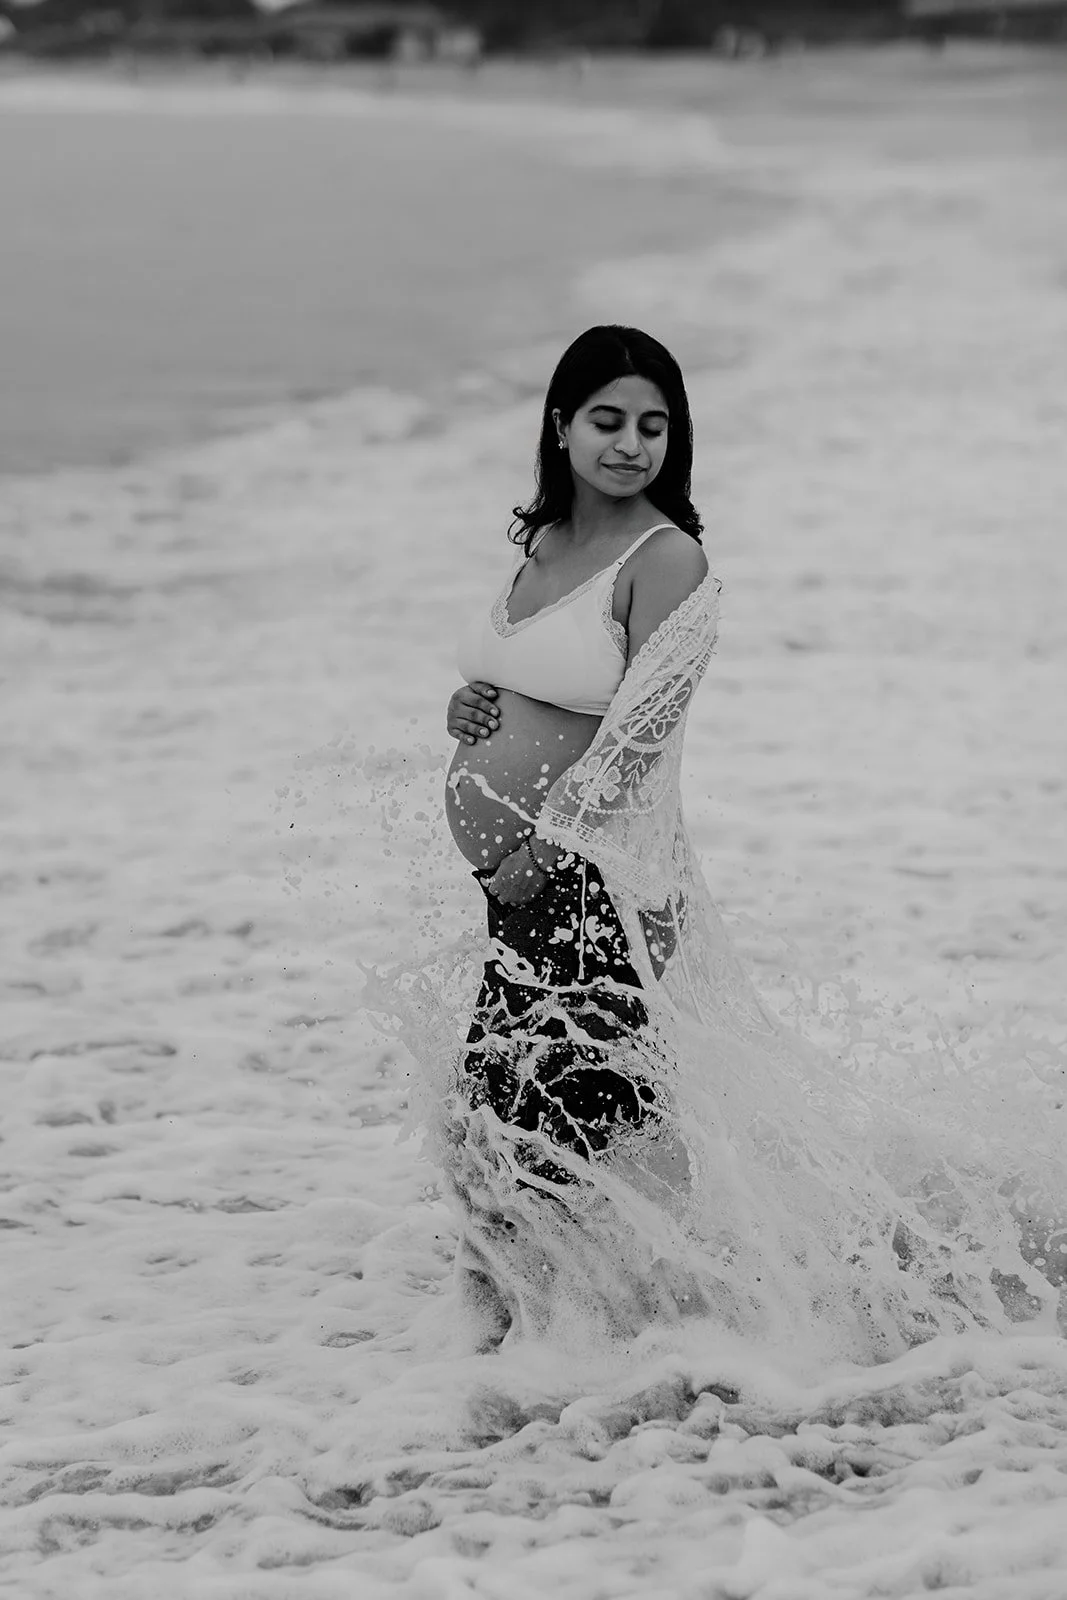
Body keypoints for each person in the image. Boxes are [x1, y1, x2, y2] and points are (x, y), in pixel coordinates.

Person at [412, 324, 1065, 1358]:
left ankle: (645, 1352)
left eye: (653, 426)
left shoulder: (666, 559)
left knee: (555, 1127)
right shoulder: (541, 547)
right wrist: (469, 711)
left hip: (597, 890)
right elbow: (531, 675)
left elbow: (634, 737)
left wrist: (545, 853)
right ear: (560, 426)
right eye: (608, 421)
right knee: (492, 1125)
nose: (630, 444)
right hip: (525, 889)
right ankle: (544, 1337)